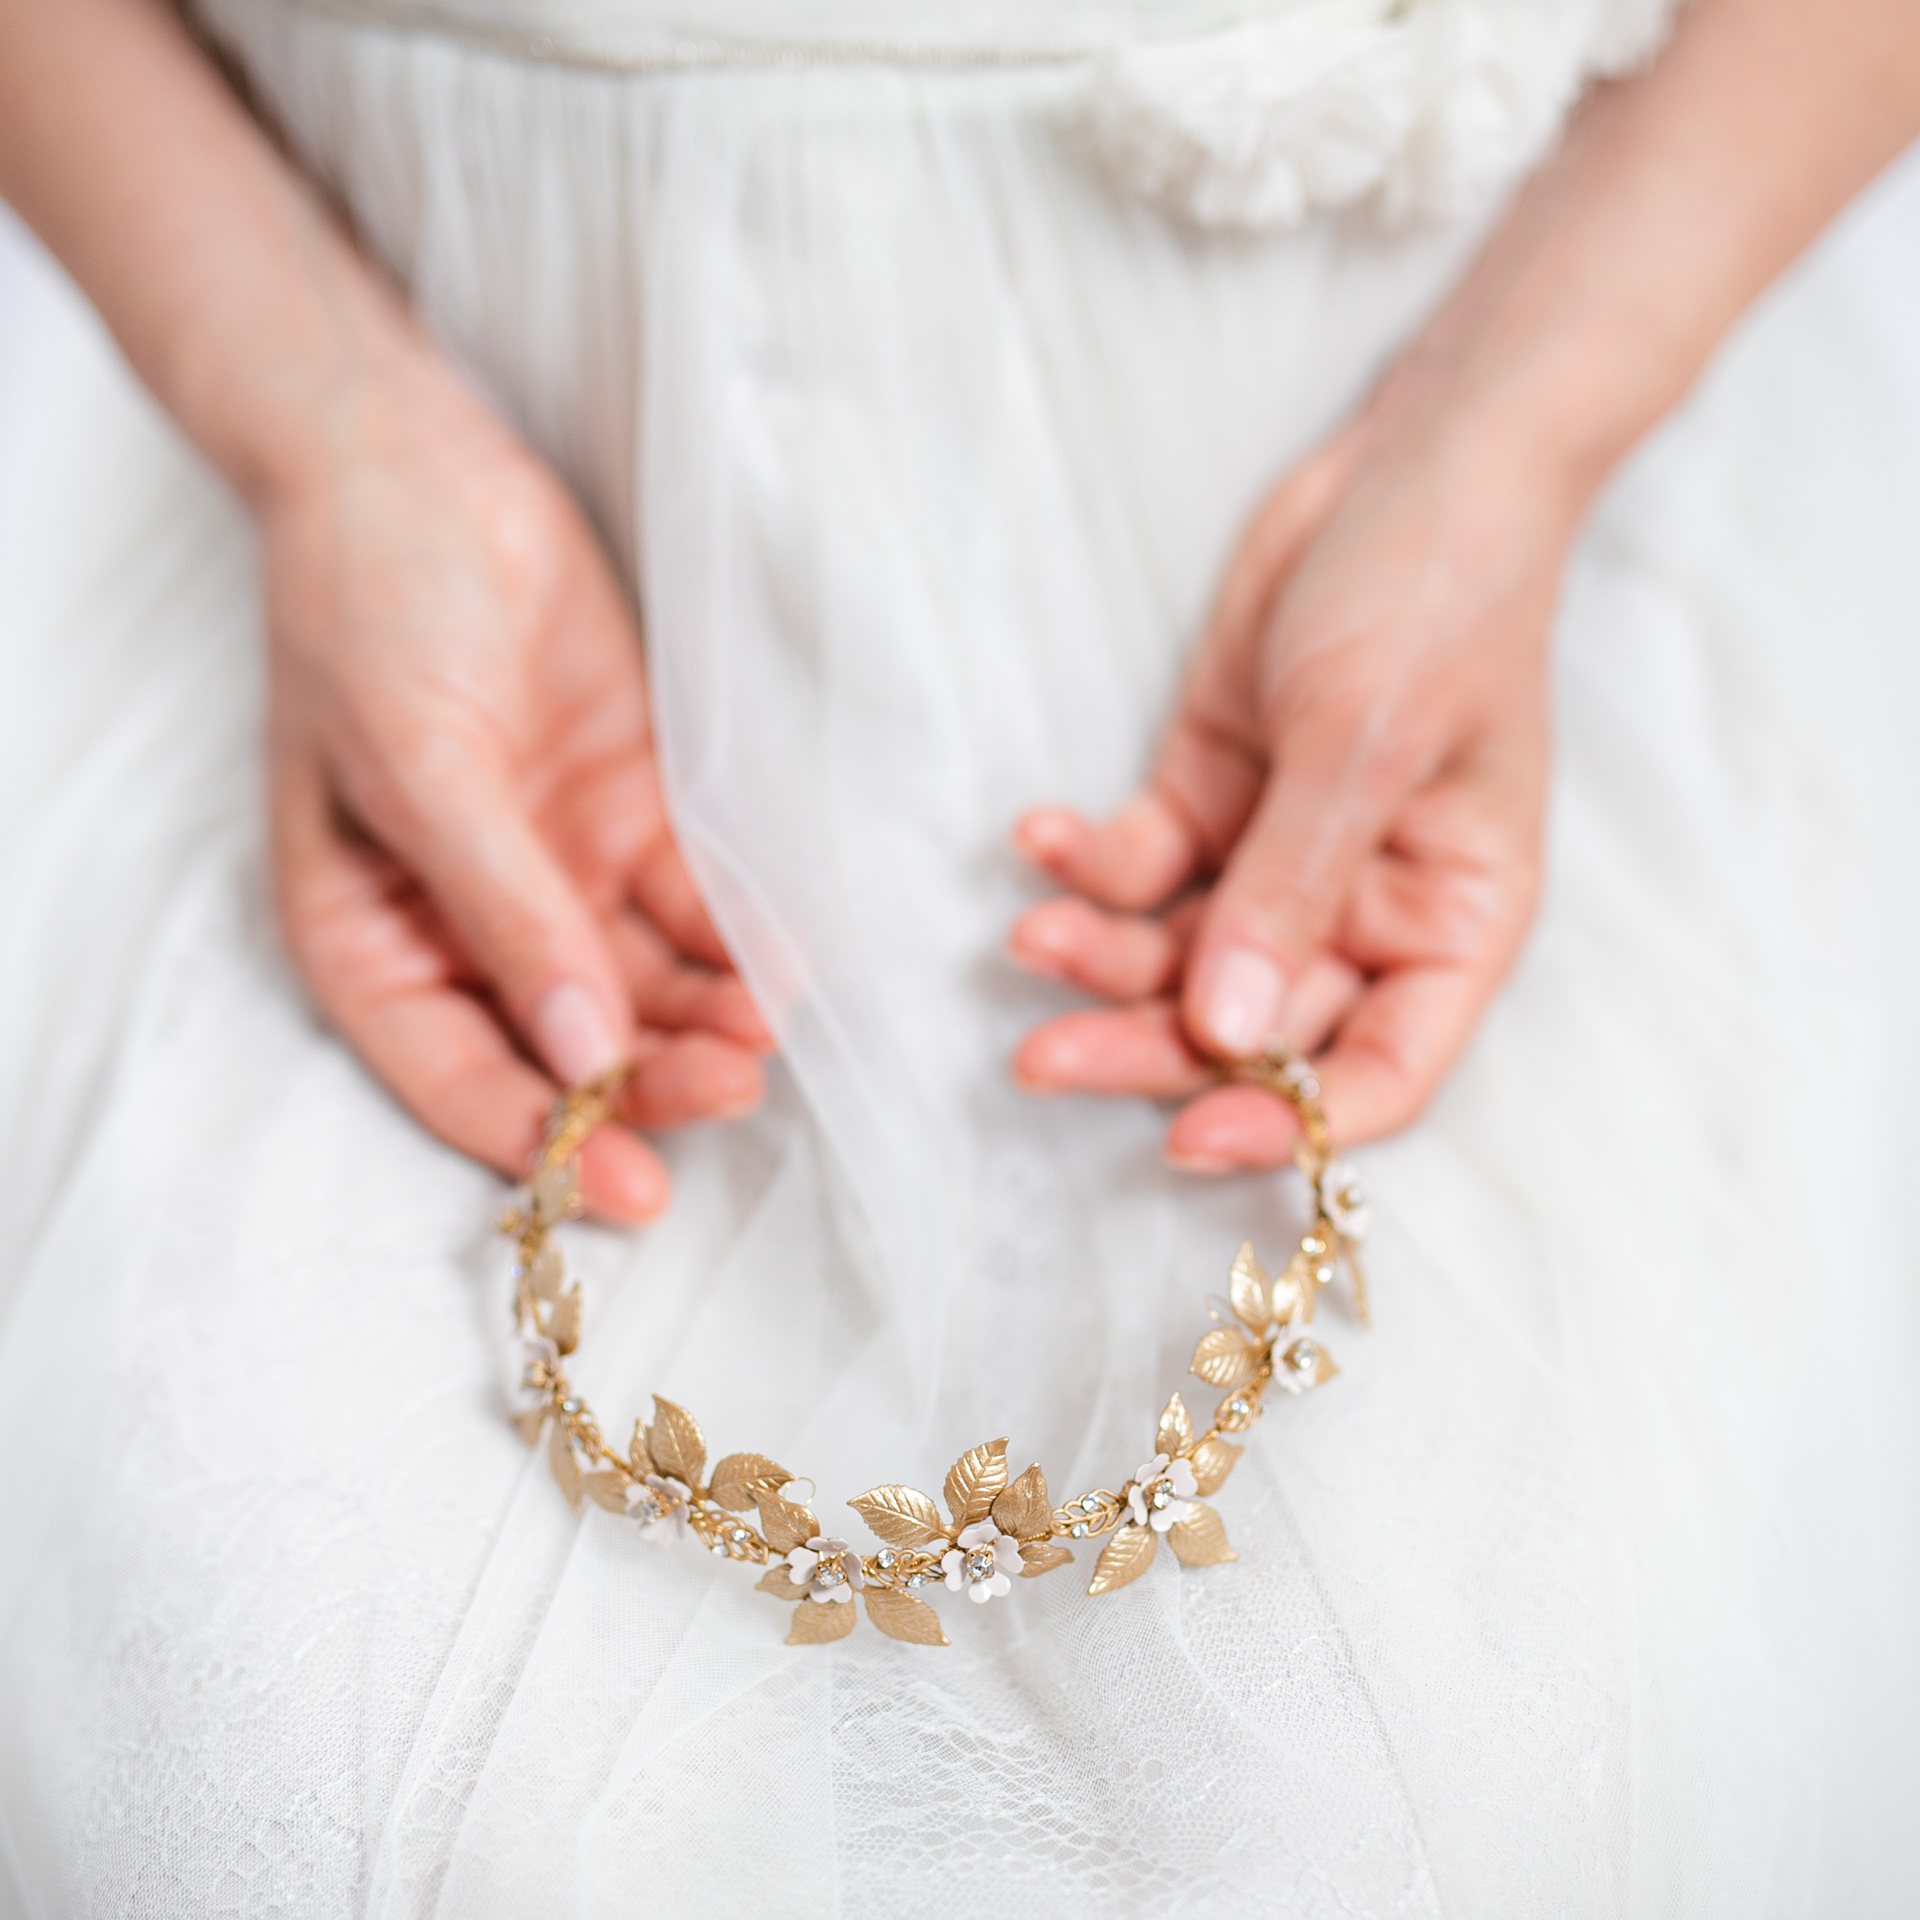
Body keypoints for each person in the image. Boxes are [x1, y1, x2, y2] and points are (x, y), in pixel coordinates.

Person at [0, 0, 1916, 1911]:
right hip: (372, 388)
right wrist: (322, 428)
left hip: (1457, 426)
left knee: (1491, 1741)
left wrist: (1510, 438)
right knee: (269, 1745)